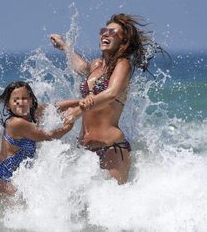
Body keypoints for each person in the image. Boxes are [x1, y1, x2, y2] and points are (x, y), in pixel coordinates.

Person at [50, 13, 164, 184]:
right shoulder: (97, 64)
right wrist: (64, 47)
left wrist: (78, 110)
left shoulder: (123, 64)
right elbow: (81, 66)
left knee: (113, 205)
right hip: (85, 151)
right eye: (104, 30)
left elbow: (112, 93)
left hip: (111, 148)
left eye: (112, 32)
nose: (105, 34)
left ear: (123, 40)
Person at [0, 81, 79, 195]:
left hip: (12, 173)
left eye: (24, 98)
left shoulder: (33, 112)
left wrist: (81, 101)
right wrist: (69, 125)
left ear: (31, 101)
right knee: (18, 207)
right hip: (0, 175)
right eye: (15, 100)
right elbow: (49, 136)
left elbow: (55, 107)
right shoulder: (16, 123)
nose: (20, 102)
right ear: (8, 104)